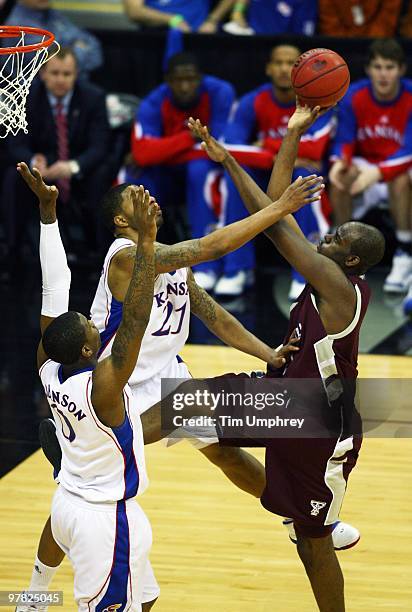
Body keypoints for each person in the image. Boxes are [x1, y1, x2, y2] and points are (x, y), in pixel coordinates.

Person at [19, 160, 332, 611]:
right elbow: (209, 245)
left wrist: (268, 354)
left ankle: (295, 516)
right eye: (135, 196)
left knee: (224, 452)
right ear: (122, 221)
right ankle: (38, 582)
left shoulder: (171, 260)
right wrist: (279, 207)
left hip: (168, 375)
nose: (148, 195)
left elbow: (213, 315)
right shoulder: (126, 257)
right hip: (116, 387)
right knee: (85, 480)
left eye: (148, 190)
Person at [186, 108, 385, 611]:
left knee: (312, 548)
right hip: (284, 401)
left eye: (338, 239)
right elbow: (277, 212)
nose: (328, 235)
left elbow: (277, 224)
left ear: (352, 260)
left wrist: (267, 182)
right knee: (186, 411)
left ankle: (313, 522)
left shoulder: (339, 287)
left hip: (320, 426)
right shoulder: (326, 275)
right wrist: (256, 148)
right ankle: (82, 449)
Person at [16, 162, 158, 611]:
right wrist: (149, 243)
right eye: (91, 330)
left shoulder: (49, 367)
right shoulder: (106, 387)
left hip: (68, 503)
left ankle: (30, 601)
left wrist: (48, 213)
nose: (94, 325)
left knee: (147, 598)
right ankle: (31, 601)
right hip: (102, 519)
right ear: (85, 351)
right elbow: (135, 319)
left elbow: (54, 283)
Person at [215, 44, 334, 299]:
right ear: (268, 68)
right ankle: (236, 268)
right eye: (278, 63)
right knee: (236, 174)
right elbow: (230, 147)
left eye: (291, 63)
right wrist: (281, 156)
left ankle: (306, 271)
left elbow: (314, 150)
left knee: (306, 175)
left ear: (302, 71)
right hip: (265, 172)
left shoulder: (319, 101)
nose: (283, 69)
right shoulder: (252, 101)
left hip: (301, 172)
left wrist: (264, 146)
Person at [126, 51, 235, 290]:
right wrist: (190, 138)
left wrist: (163, 149)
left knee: (200, 172)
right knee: (132, 179)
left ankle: (207, 264)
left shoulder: (220, 92)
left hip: (203, 167)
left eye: (191, 79)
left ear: (201, 79)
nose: (185, 86)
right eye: (178, 80)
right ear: (168, 81)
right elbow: (143, 153)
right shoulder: (154, 102)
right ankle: (132, 260)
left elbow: (218, 147)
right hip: (166, 172)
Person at [3, 47, 110, 260]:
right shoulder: (26, 97)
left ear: (76, 74)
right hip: (41, 164)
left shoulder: (93, 97)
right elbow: (14, 144)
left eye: (67, 74)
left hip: (78, 166)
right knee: (12, 177)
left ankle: (100, 252)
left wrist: (72, 166)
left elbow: (100, 145)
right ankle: (12, 249)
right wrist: (33, 160)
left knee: (102, 173)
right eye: (55, 73)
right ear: (42, 73)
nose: (61, 79)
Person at [329, 38, 412, 295]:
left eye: (389, 67)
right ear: (368, 70)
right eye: (377, 67)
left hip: (397, 168)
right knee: (341, 177)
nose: (383, 74)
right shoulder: (355, 94)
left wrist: (378, 173)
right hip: (366, 165)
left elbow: (409, 149)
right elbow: (344, 139)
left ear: (401, 70)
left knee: (400, 179)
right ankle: (344, 256)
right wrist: (339, 162)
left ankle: (404, 254)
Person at [5, 0, 103, 78]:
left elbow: (94, 46)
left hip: (76, 92)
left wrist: (69, 51)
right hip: (34, 97)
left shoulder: (53, 15)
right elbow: (56, 62)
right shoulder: (15, 25)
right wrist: (79, 48)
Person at [123, 0, 236, 32]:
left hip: (199, 38)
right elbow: (134, 11)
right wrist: (171, 19)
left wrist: (212, 20)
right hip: (156, 41)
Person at [225, 0, 316, 36]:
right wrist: (237, 12)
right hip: (250, 38)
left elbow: (302, 35)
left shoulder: (305, 2)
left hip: (279, 44)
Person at [318, 0, 402, 38]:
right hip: (341, 49)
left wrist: (367, 42)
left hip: (377, 45)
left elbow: (385, 24)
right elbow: (330, 26)